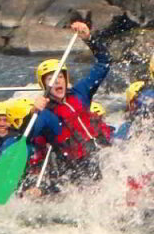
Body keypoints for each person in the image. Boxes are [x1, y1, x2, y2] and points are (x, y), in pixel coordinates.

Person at [32, 21, 113, 182]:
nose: (57, 82)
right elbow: (31, 135)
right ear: (44, 85)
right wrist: (33, 112)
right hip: (78, 167)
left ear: (66, 79)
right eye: (51, 79)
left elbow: (105, 62)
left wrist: (89, 39)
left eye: (60, 77)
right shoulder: (46, 113)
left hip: (105, 153)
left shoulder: (80, 92)